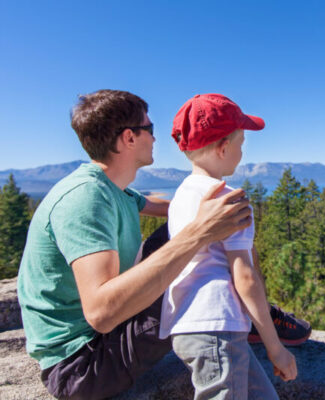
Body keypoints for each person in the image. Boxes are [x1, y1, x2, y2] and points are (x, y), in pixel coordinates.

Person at [17, 89, 253, 399]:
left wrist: (208, 203)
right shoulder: (85, 198)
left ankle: (250, 308)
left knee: (199, 228)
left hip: (97, 343)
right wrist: (199, 232)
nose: (156, 139)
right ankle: (250, 312)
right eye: (150, 129)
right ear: (129, 138)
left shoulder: (112, 188)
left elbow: (167, 207)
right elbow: (101, 314)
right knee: (193, 263)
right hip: (83, 363)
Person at [160, 94, 297, 399]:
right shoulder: (229, 198)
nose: (241, 153)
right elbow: (245, 277)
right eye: (241, 145)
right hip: (217, 327)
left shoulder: (182, 195)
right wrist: (276, 348)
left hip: (187, 325)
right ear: (223, 148)